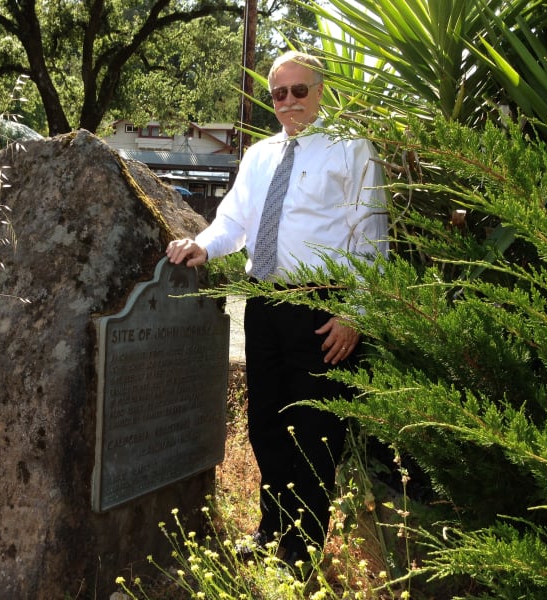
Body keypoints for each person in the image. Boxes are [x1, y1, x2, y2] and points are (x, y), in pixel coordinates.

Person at [166, 50, 389, 566]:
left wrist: (355, 312)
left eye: (299, 91)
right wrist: (203, 244)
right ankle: (271, 530)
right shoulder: (259, 155)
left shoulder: (353, 150)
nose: (288, 102)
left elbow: (372, 239)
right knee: (266, 424)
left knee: (314, 432)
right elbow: (233, 222)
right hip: (264, 305)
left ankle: (303, 548)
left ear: (320, 91)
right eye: (278, 93)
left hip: (321, 307)